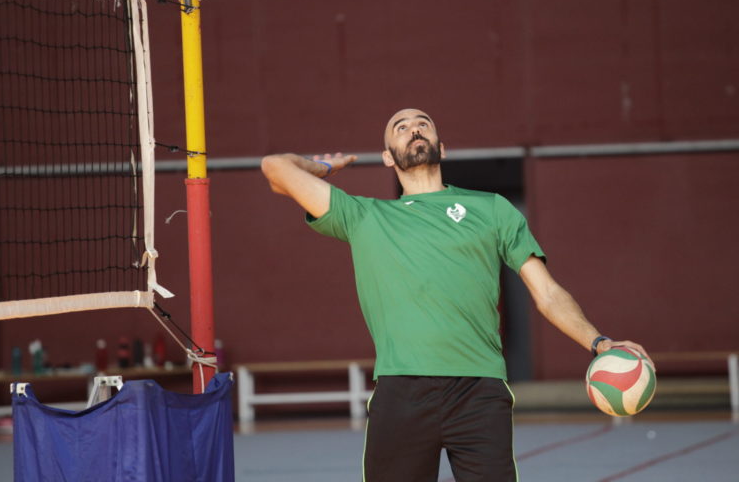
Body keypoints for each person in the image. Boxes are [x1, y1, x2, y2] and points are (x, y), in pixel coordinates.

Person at [261, 108, 652, 482]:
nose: (414, 128)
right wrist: (324, 168)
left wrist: (598, 341)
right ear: (386, 157)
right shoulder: (365, 217)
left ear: (441, 147)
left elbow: (547, 292)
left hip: (479, 391)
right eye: (401, 126)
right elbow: (275, 168)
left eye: (423, 123)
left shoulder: (492, 209)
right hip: (402, 390)